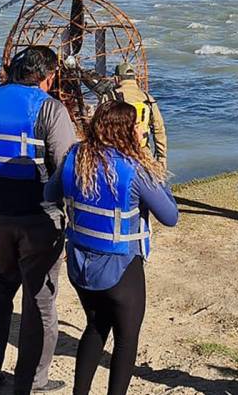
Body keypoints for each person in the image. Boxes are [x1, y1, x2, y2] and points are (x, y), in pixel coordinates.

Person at [0, 46, 77, 393]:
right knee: (40, 299)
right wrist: (66, 211)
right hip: (39, 216)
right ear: (48, 76)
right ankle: (34, 379)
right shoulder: (51, 109)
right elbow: (66, 165)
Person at [45, 100, 179, 395]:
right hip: (121, 268)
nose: (141, 129)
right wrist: (152, 166)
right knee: (126, 338)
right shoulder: (134, 168)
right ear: (126, 131)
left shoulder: (75, 157)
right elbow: (170, 216)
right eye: (136, 125)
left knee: (95, 326)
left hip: (80, 264)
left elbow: (48, 192)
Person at [111, 63, 168, 163]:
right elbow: (159, 129)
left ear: (116, 79)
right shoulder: (147, 98)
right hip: (143, 153)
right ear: (135, 79)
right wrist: (161, 158)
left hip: (117, 154)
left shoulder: (110, 97)